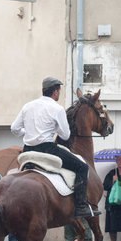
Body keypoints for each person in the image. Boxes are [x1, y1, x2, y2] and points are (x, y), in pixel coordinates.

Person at [11, 77, 100, 218]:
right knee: (82, 167)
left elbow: (14, 128)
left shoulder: (27, 106)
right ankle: (81, 206)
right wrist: (55, 129)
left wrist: (27, 133)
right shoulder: (57, 109)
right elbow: (65, 136)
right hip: (48, 150)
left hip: (27, 150)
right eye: (59, 90)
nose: (59, 93)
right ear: (55, 92)